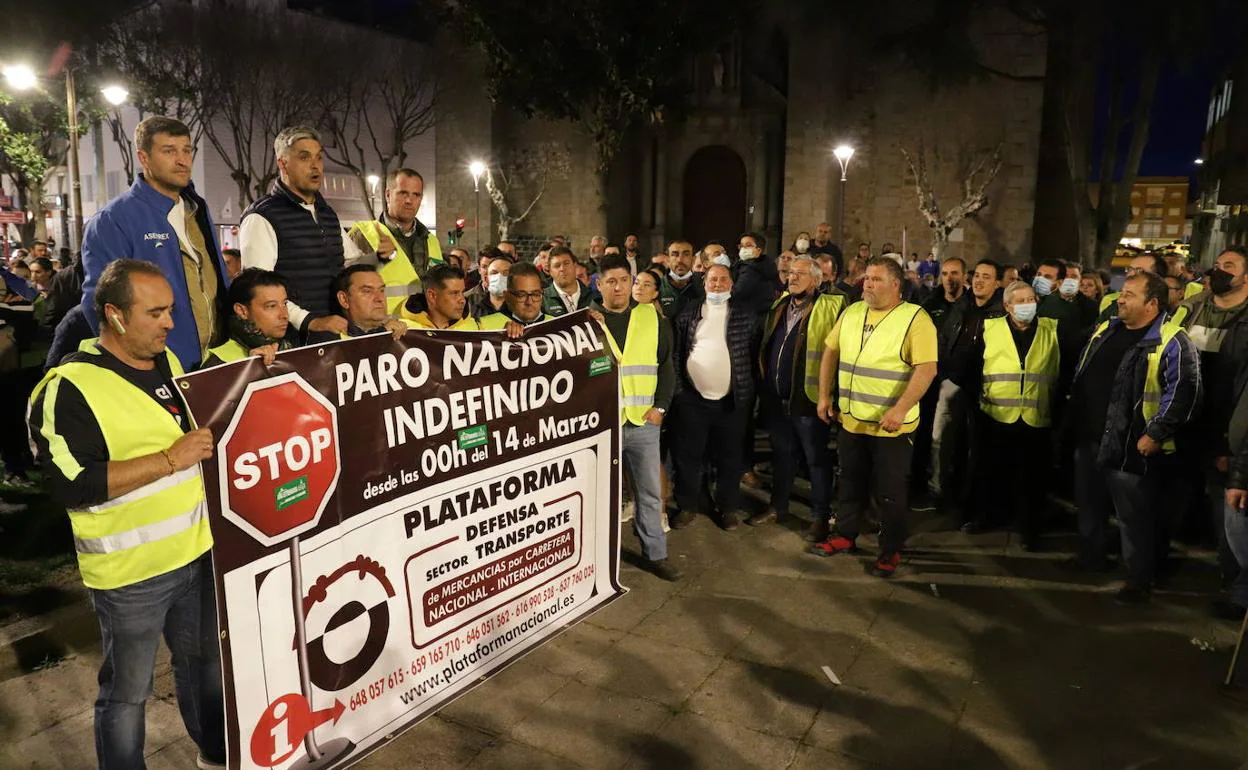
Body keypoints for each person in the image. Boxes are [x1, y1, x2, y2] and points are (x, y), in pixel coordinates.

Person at [26, 259, 225, 768]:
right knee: (127, 696)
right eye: (155, 312)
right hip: (130, 575)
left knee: (203, 668)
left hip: (195, 555)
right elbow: (72, 485)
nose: (170, 323)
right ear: (114, 315)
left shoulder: (169, 365)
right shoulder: (66, 388)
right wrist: (168, 459)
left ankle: (216, 752)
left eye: (171, 310)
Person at [1070, 272, 1201, 604]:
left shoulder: (1172, 340)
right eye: (1121, 293)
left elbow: (1184, 393)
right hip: (1090, 437)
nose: (1120, 299)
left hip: (1131, 444)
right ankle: (1092, 557)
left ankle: (1138, 579)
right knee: (1090, 504)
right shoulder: (1106, 329)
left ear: (1152, 303)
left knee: (1134, 516)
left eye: (1129, 294)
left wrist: (1155, 434)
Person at [813, 257, 939, 577]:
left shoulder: (915, 319)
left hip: (891, 426)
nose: (867, 284)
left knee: (890, 491)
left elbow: (926, 369)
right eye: (866, 278)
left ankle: (889, 549)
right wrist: (825, 395)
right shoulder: (853, 312)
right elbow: (830, 352)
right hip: (853, 419)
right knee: (850, 481)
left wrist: (900, 409)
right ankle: (844, 535)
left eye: (876, 279)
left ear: (896, 285)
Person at [80, 115, 229, 372]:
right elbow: (99, 305)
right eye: (169, 151)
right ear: (144, 158)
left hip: (216, 362)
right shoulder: (113, 220)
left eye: (186, 150)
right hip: (161, 369)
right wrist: (137, 367)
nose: (182, 160)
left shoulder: (197, 210)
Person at [591, 255, 679, 580]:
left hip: (643, 422)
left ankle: (655, 554)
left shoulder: (653, 318)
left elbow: (667, 366)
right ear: (599, 284)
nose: (619, 287)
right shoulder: (587, 321)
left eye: (624, 280)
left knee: (649, 492)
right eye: (611, 281)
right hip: (602, 426)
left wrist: (661, 407)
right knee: (601, 496)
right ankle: (600, 558)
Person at [1176, 246, 1248, 614]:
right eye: (1218, 265)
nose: (1220, 271)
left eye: (1230, 267)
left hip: (1228, 428)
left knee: (1229, 515)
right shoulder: (1194, 306)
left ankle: (1235, 587)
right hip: (1188, 419)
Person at [967, 281, 1064, 547]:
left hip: (1036, 415)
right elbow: (973, 367)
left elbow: (1060, 372)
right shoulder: (989, 328)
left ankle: (1029, 529)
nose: (1027, 305)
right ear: (1007, 306)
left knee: (1032, 478)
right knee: (992, 471)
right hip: (996, 414)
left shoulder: (1051, 329)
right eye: (1020, 301)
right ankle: (987, 517)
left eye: (1031, 299)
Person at [241, 126, 360, 338]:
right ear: (283, 164)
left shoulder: (327, 213)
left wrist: (380, 257)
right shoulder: (262, 216)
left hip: (334, 335)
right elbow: (258, 289)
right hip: (293, 343)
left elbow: (349, 264)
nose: (315, 166)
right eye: (304, 157)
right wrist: (309, 321)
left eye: (319, 158)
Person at [758, 256, 846, 539]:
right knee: (782, 456)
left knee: (816, 460)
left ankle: (820, 517)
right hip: (777, 399)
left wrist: (831, 396)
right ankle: (778, 506)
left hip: (809, 401)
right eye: (791, 273)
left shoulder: (831, 307)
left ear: (817, 279)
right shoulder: (780, 305)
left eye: (801, 274)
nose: (792, 278)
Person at [670, 263, 760, 530]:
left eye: (723, 280)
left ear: (732, 284)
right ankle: (688, 506)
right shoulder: (689, 312)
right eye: (713, 280)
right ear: (704, 282)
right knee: (689, 457)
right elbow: (677, 353)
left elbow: (753, 355)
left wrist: (746, 389)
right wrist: (679, 391)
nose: (718, 284)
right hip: (692, 400)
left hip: (732, 402)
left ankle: (727, 507)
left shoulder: (746, 314)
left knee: (730, 458)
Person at [931, 260, 1005, 511]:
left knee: (978, 447)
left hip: (984, 388)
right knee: (943, 441)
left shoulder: (1001, 312)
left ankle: (972, 501)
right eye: (977, 276)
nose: (979, 281)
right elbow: (944, 340)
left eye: (986, 276)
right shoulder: (962, 307)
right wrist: (943, 373)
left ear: (997, 283)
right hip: (952, 383)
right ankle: (942, 490)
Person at [346, 168, 443, 314]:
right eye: (403, 193)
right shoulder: (363, 234)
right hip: (381, 330)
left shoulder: (431, 240)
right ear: (387, 195)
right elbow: (344, 282)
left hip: (423, 330)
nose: (409, 200)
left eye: (416, 195)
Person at [202, 268, 298, 367]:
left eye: (285, 303)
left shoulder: (296, 348)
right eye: (271, 306)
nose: (284, 315)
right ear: (242, 311)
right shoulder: (219, 363)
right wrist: (250, 371)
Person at [309, 265, 411, 342]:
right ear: (344, 299)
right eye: (367, 291)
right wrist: (381, 334)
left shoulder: (403, 333)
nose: (380, 298)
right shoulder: (326, 341)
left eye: (381, 291)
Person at [1097, 253, 1169, 323]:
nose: (1131, 274)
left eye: (1139, 271)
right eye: (1130, 269)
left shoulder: (1171, 310)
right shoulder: (1113, 304)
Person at [405, 263, 479, 330]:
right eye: (454, 293)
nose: (463, 300)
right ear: (432, 296)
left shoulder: (475, 330)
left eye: (462, 292)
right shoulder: (405, 331)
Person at [479, 262, 552, 329]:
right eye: (521, 295)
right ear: (507, 296)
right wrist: (500, 335)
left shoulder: (556, 325)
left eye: (536, 294)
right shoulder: (484, 325)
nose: (529, 302)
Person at [1038, 259, 1097, 329]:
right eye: (1065, 276)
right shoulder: (1043, 302)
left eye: (1074, 276)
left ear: (1080, 280)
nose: (1069, 280)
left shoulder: (1091, 307)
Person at [731, 231, 780, 317]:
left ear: (759, 250)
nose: (743, 249)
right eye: (741, 246)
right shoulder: (765, 265)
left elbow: (738, 293)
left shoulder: (751, 269)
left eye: (748, 245)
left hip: (748, 318)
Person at [542, 246, 595, 317]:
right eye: (557, 265)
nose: (562, 269)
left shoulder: (595, 298)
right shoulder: (542, 299)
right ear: (550, 271)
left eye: (566, 263)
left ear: (575, 265)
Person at [658, 240, 705, 320]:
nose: (680, 260)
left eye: (686, 254)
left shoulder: (703, 286)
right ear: (668, 260)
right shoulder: (657, 286)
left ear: (693, 260)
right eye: (675, 255)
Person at [465, 251, 511, 319]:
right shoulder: (467, 300)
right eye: (494, 273)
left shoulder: (519, 304)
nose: (499, 277)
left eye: (505, 273)